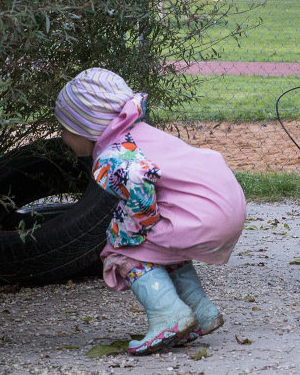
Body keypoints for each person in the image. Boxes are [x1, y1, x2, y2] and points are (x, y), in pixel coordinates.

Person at [54, 67, 247, 355]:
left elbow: (135, 180)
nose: (63, 137)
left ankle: (169, 315)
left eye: (66, 128)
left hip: (202, 215)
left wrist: (142, 224)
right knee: (155, 246)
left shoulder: (112, 155)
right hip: (225, 206)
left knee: (121, 247)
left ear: (87, 126)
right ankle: (201, 311)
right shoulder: (138, 133)